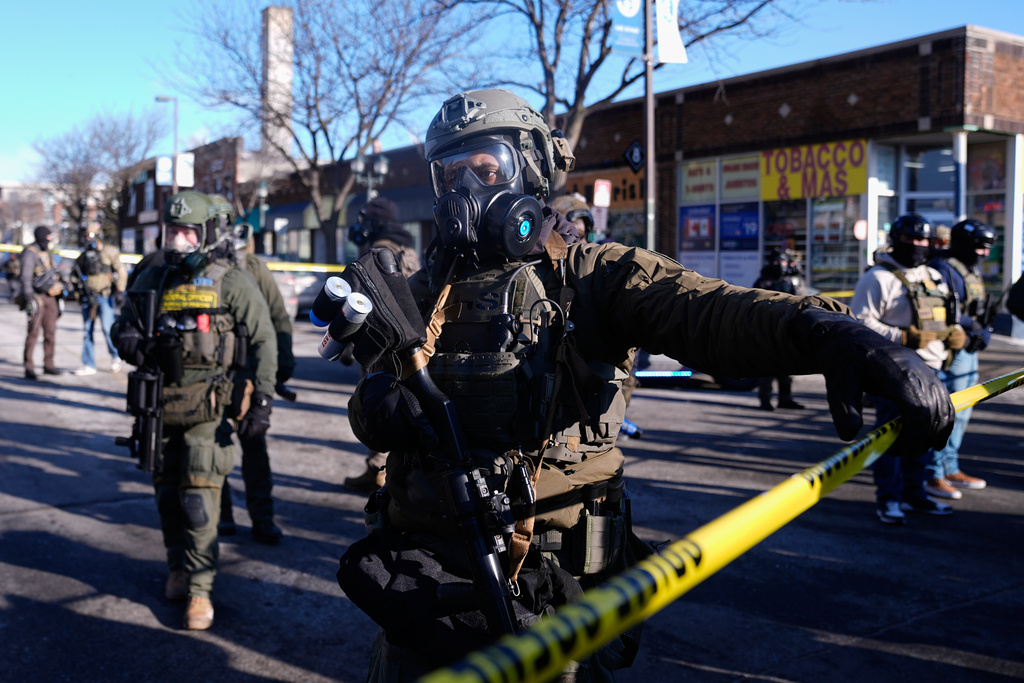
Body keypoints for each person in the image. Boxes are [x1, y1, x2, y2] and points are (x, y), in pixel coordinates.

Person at [334, 89, 954, 681]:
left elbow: (708, 312)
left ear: (531, 169)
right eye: (449, 176)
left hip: (546, 592)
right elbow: (372, 416)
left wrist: (826, 331)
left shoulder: (593, 277)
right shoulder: (420, 295)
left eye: (486, 167)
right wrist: (380, 403)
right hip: (420, 586)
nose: (466, 191)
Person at [111, 191, 278, 630]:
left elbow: (263, 339)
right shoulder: (152, 274)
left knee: (197, 499)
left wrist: (262, 398)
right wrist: (128, 339)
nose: (178, 239)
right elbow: (123, 321)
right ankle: (177, 567)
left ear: (205, 233)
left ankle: (200, 591)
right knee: (167, 496)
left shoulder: (231, 279)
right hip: (160, 407)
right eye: (172, 230)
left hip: (209, 407)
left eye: (187, 231)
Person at [850, 213, 965, 525]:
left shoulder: (933, 275)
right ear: (896, 239)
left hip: (934, 369)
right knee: (891, 439)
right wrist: (902, 336)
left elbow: (944, 316)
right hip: (894, 372)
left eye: (922, 240)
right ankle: (888, 498)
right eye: (910, 239)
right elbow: (859, 322)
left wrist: (957, 333)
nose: (917, 245)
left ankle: (915, 494)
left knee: (925, 437)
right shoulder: (877, 277)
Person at [211, 195, 295, 544]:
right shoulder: (200, 268)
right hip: (213, 372)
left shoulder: (252, 265)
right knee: (214, 448)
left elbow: (276, 316)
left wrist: (282, 363)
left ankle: (263, 516)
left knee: (254, 446)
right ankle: (223, 514)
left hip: (247, 371)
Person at [342, 196, 421, 492]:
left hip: (380, 343)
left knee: (375, 403)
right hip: (406, 341)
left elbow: (364, 301)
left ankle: (379, 471)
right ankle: (383, 469)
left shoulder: (377, 253)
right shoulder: (407, 252)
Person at [926, 219, 997, 496]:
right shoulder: (942, 269)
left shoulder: (969, 269)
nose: (984, 253)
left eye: (988, 248)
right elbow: (941, 310)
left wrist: (982, 331)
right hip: (952, 348)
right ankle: (933, 472)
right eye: (979, 246)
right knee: (946, 413)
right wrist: (972, 329)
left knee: (963, 413)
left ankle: (949, 467)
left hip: (969, 349)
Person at [752, 247, 807, 411]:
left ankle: (785, 398)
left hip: (786, 329)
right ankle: (765, 400)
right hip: (768, 331)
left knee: (786, 368)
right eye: (777, 262)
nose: (780, 265)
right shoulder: (763, 281)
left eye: (783, 261)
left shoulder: (790, 280)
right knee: (767, 369)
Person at [72, 229, 127, 376]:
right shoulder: (84, 256)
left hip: (105, 295)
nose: (89, 241)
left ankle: (115, 355)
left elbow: (122, 271)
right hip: (88, 297)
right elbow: (75, 275)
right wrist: (78, 289)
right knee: (87, 330)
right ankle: (89, 363)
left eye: (92, 237)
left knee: (107, 328)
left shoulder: (108, 252)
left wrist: (120, 290)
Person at [19, 226, 65, 380]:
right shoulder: (30, 253)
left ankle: (49, 364)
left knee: (50, 333)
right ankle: (29, 367)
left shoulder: (47, 253)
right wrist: (29, 299)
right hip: (36, 298)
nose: (49, 241)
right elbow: (25, 277)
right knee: (33, 333)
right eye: (47, 237)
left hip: (50, 297)